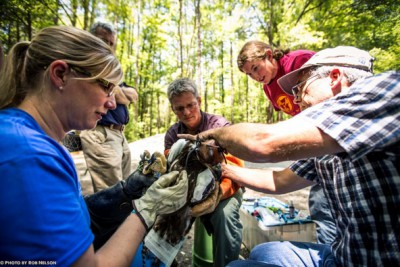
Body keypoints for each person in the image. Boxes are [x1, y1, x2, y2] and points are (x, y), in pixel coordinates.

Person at [180, 46, 400, 266]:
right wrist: (222, 169)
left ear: (334, 77)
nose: (296, 102)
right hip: (342, 256)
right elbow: (278, 181)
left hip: (378, 260)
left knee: (237, 266)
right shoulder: (324, 142)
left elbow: (264, 142)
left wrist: (212, 136)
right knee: (263, 252)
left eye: (301, 88)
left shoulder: (384, 90)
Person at [0, 25, 188, 266]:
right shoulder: (31, 156)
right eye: (106, 86)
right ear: (60, 74)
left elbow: (76, 216)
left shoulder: (32, 138)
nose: (112, 103)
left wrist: (126, 191)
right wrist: (146, 210)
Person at [237, 40, 336, 245]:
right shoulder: (268, 88)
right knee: (319, 199)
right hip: (309, 138)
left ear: (269, 55)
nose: (255, 76)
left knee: (322, 199)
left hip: (330, 131)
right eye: (249, 74)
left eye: (256, 68)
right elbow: (292, 115)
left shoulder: (298, 61)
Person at [165, 78, 244, 266]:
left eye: (190, 105)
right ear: (173, 109)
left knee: (224, 216)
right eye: (179, 108)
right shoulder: (172, 134)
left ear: (199, 101)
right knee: (159, 215)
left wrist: (217, 196)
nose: (187, 112)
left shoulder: (220, 126)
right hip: (187, 191)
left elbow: (236, 169)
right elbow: (171, 172)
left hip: (224, 187)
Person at [80, 21, 138, 192]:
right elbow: (119, 95)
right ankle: (114, 220)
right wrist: (120, 92)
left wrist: (119, 91)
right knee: (111, 194)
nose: (108, 46)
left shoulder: (110, 68)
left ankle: (124, 219)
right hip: (100, 133)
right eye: (103, 40)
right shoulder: (87, 63)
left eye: (111, 43)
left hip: (119, 134)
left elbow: (132, 95)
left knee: (126, 190)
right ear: (91, 39)